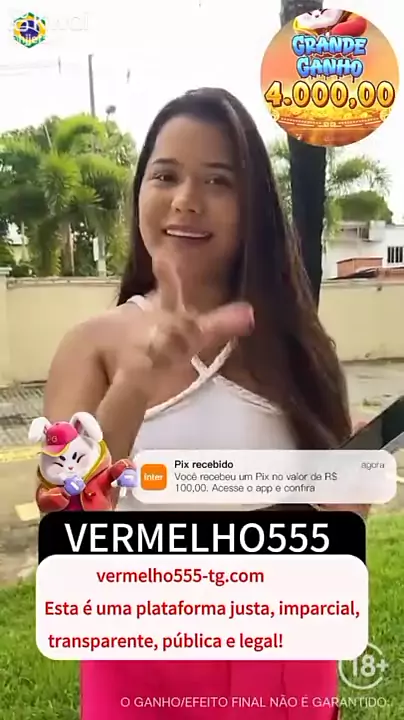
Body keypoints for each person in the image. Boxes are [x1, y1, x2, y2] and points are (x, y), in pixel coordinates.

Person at [43, 87, 368, 719]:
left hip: (284, 666)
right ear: (140, 190)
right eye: (165, 175)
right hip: (141, 667)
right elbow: (65, 520)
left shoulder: (298, 345)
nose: (187, 199)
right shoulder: (92, 346)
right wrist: (135, 382)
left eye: (218, 180)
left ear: (253, 207)